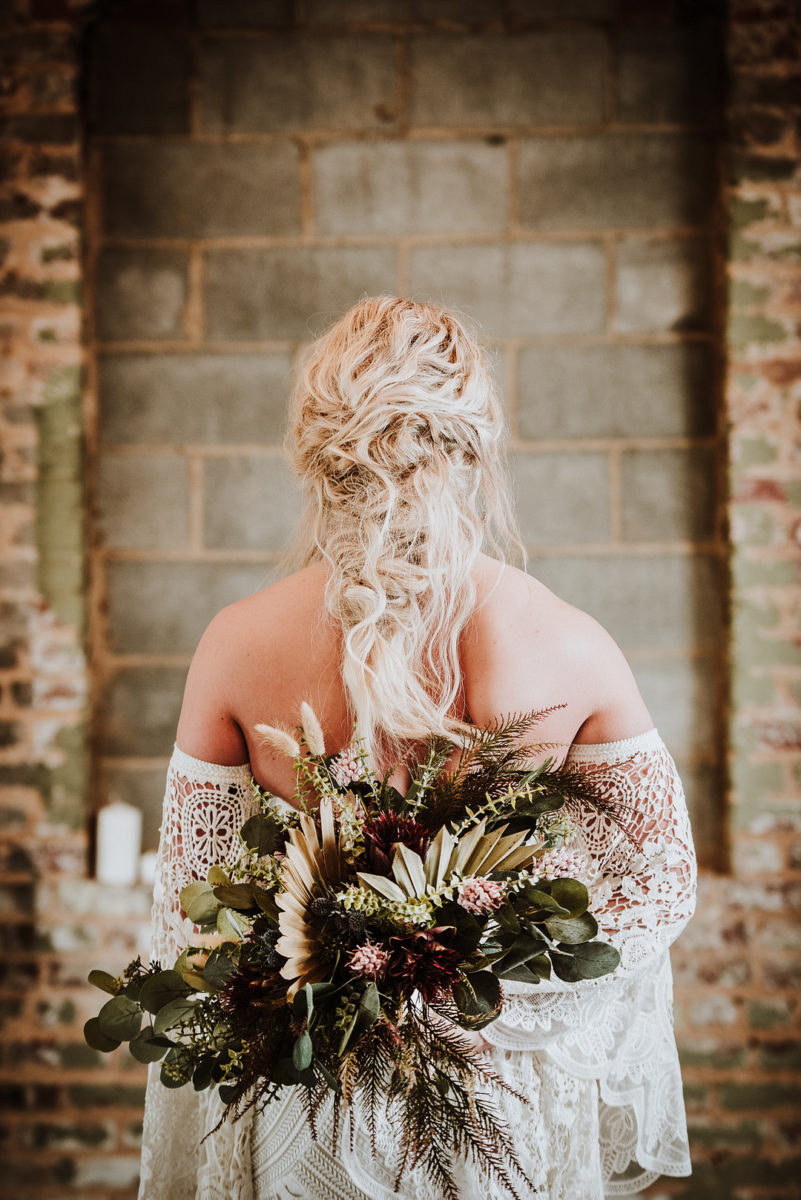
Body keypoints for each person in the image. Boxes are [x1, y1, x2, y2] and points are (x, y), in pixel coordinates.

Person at [138, 296, 696, 1200]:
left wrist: (331, 972)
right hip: (497, 1098)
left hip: (310, 1087)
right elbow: (660, 880)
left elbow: (189, 914)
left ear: (316, 447)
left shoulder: (235, 644)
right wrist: (487, 995)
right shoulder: (568, 640)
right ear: (474, 444)